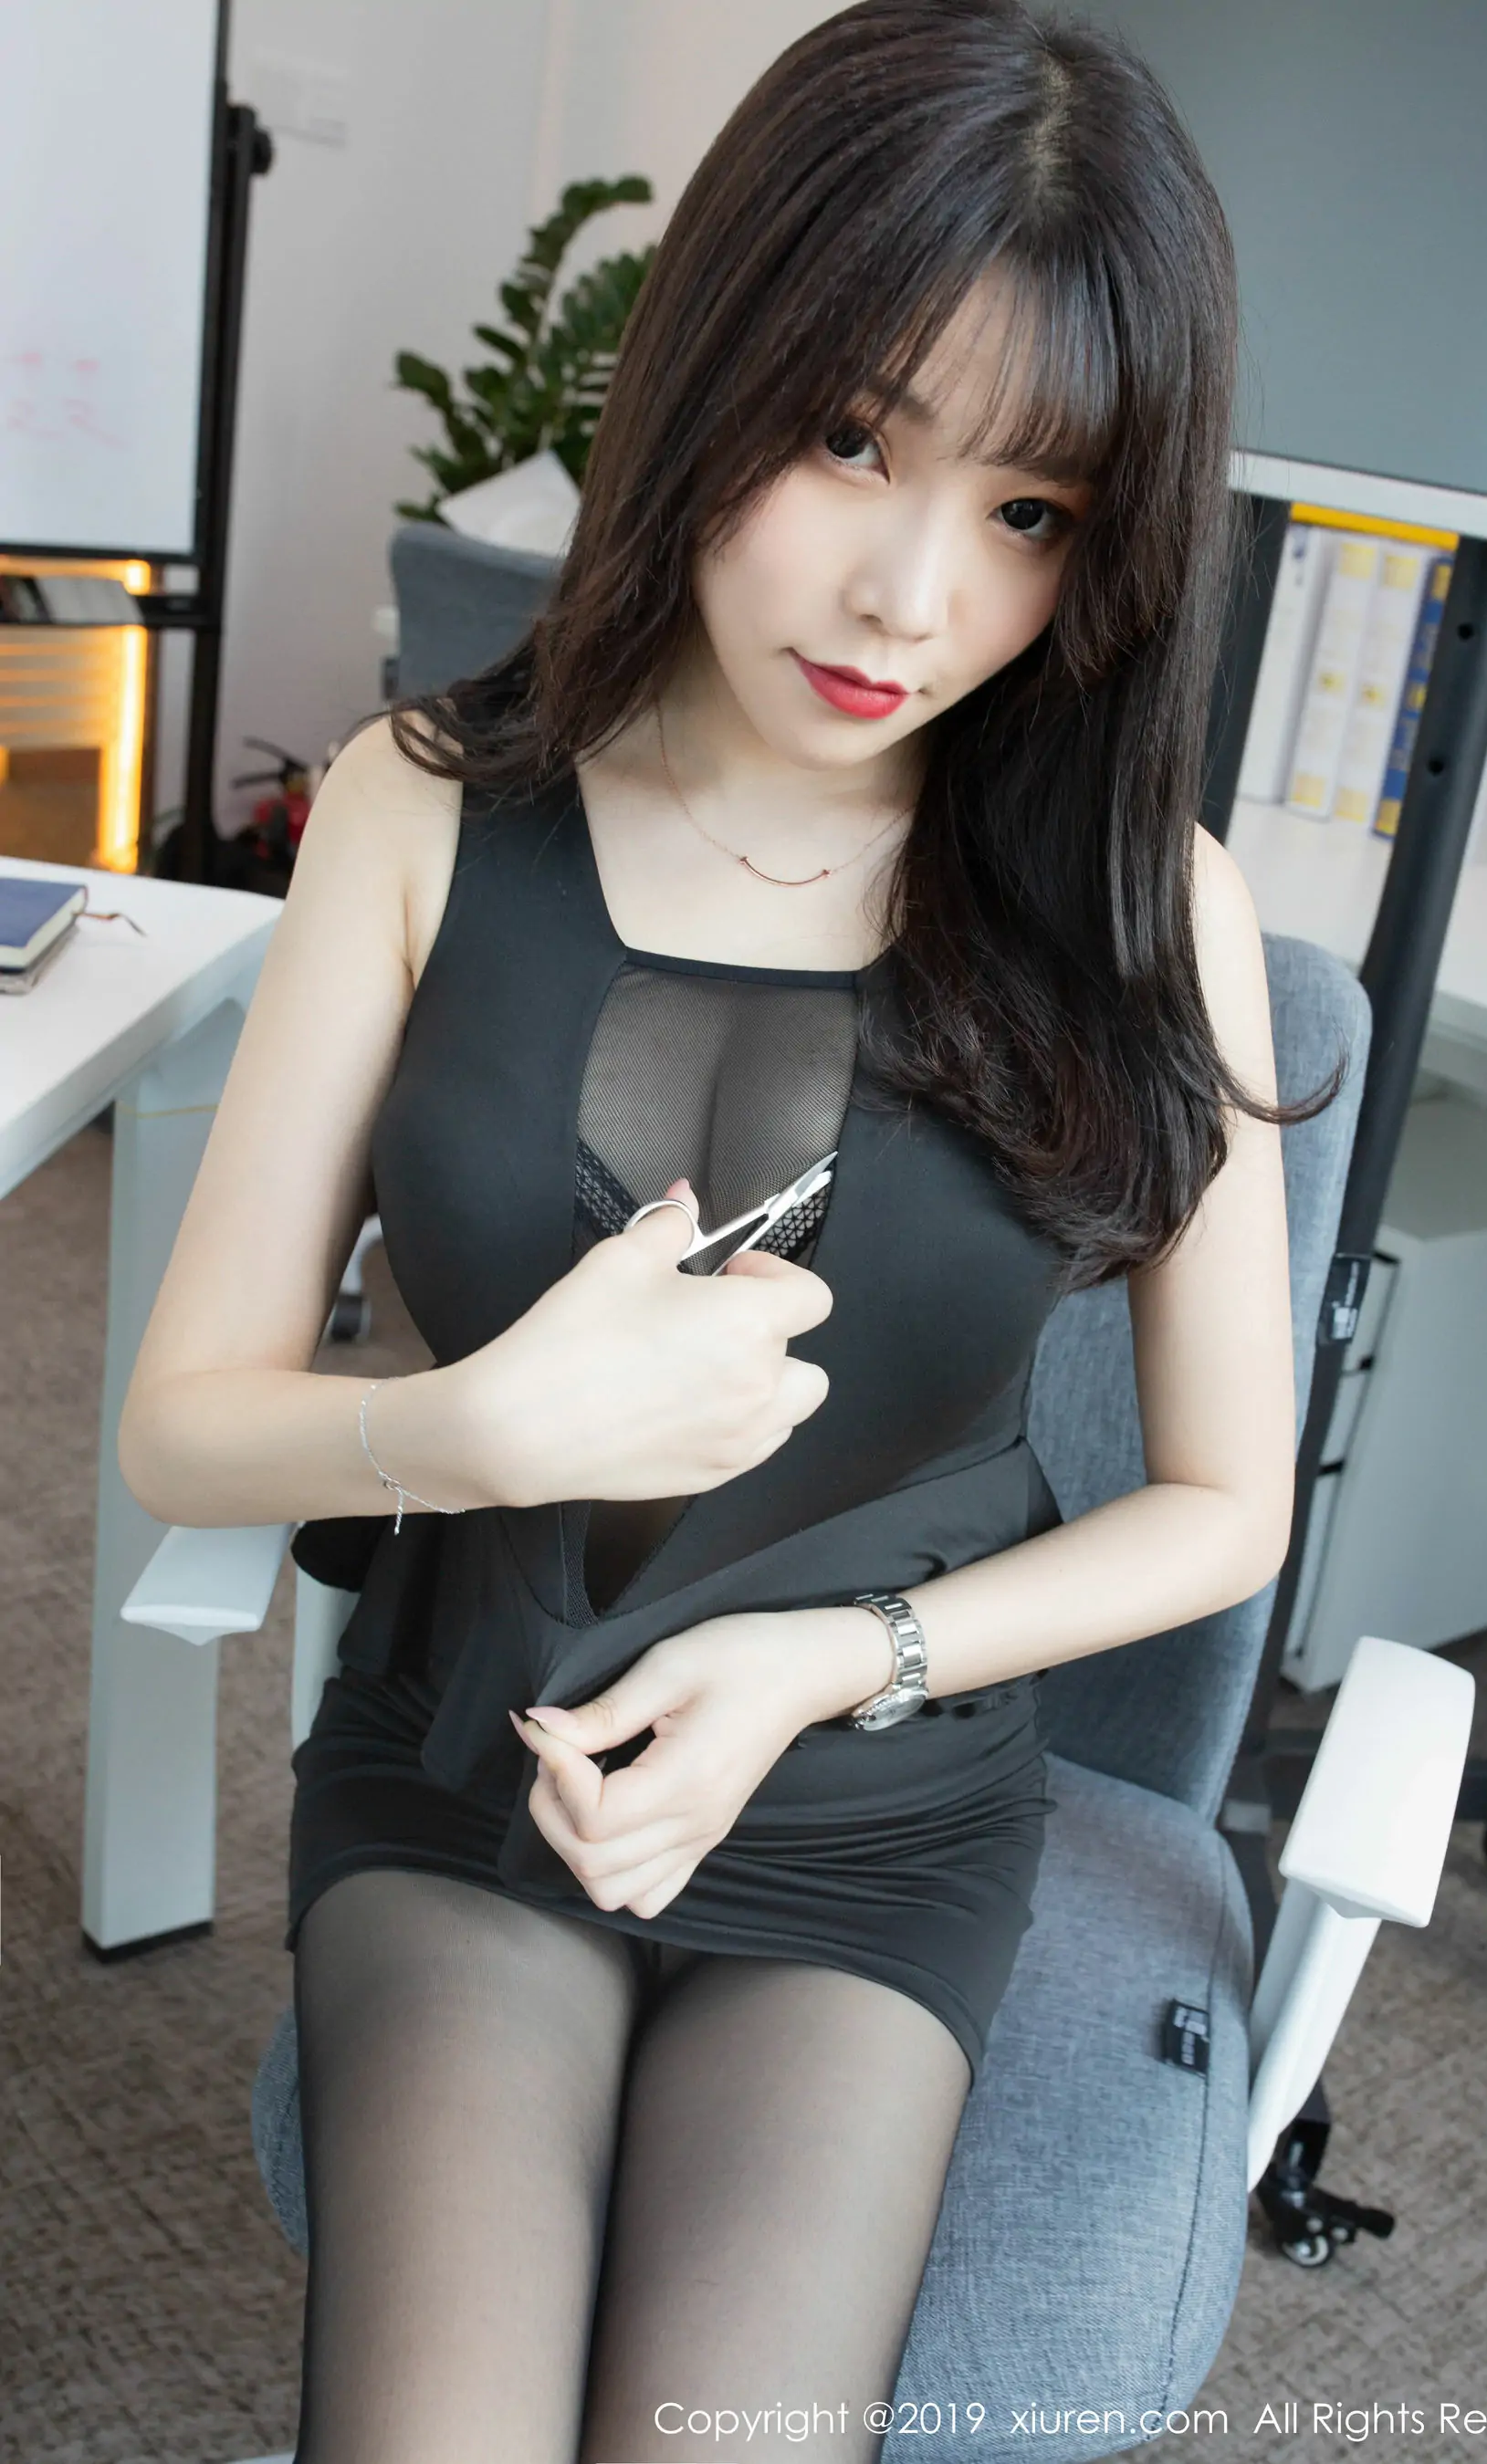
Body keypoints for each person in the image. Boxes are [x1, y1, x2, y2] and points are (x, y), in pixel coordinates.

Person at [119, 4, 1335, 2456]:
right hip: (479, 1757)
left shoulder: (1145, 906)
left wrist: (832, 1662)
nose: (909, 592)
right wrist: (469, 1427)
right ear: (715, 366)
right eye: (853, 435)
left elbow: (1230, 1506)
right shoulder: (428, 810)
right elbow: (178, 1426)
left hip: (875, 1801)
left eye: (1031, 511)